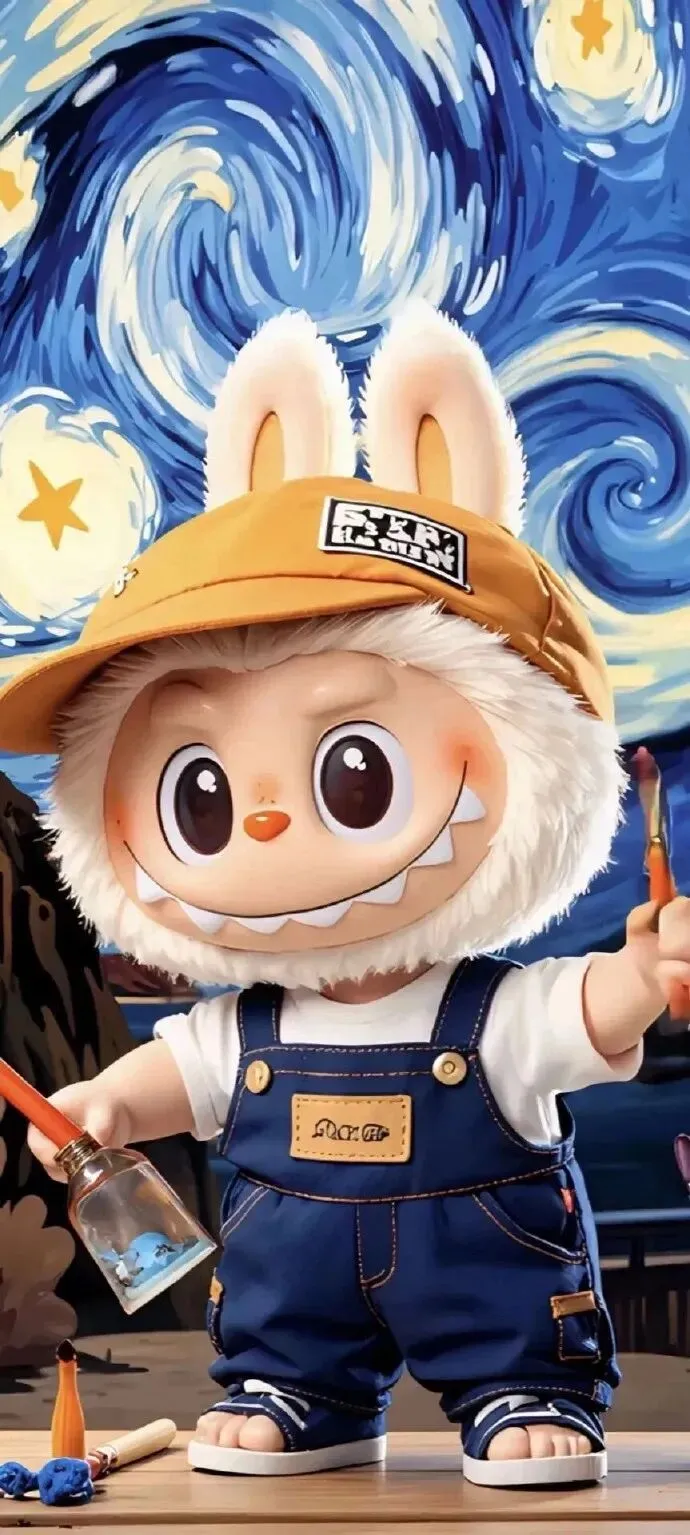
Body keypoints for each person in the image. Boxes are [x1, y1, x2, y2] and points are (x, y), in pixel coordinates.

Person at [2, 304, 688, 1487]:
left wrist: (648, 972)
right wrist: (106, 1100)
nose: (266, 823)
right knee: (281, 1315)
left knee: (516, 1333)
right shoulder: (246, 1026)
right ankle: (297, 1387)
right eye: (202, 794)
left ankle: (526, 1385)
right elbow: (182, 1077)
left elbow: (588, 1007)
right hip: (294, 1295)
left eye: (354, 772)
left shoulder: (494, 1011)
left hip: (491, 1282)